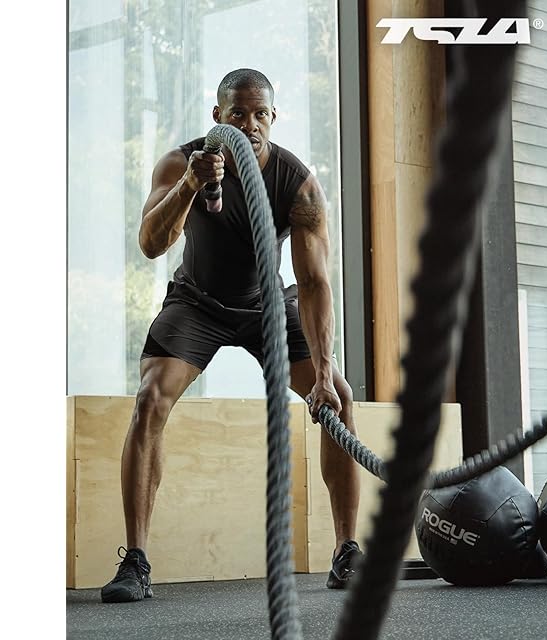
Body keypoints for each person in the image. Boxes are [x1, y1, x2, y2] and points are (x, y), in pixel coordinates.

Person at [100, 68, 362, 603]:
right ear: (217, 116)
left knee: (339, 397)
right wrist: (191, 185)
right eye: (238, 113)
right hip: (197, 302)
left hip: (267, 304)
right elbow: (151, 244)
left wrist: (322, 369)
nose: (250, 124)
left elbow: (315, 282)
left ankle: (346, 551)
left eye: (260, 113)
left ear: (273, 116)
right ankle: (136, 561)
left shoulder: (296, 182)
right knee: (150, 398)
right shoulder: (181, 162)